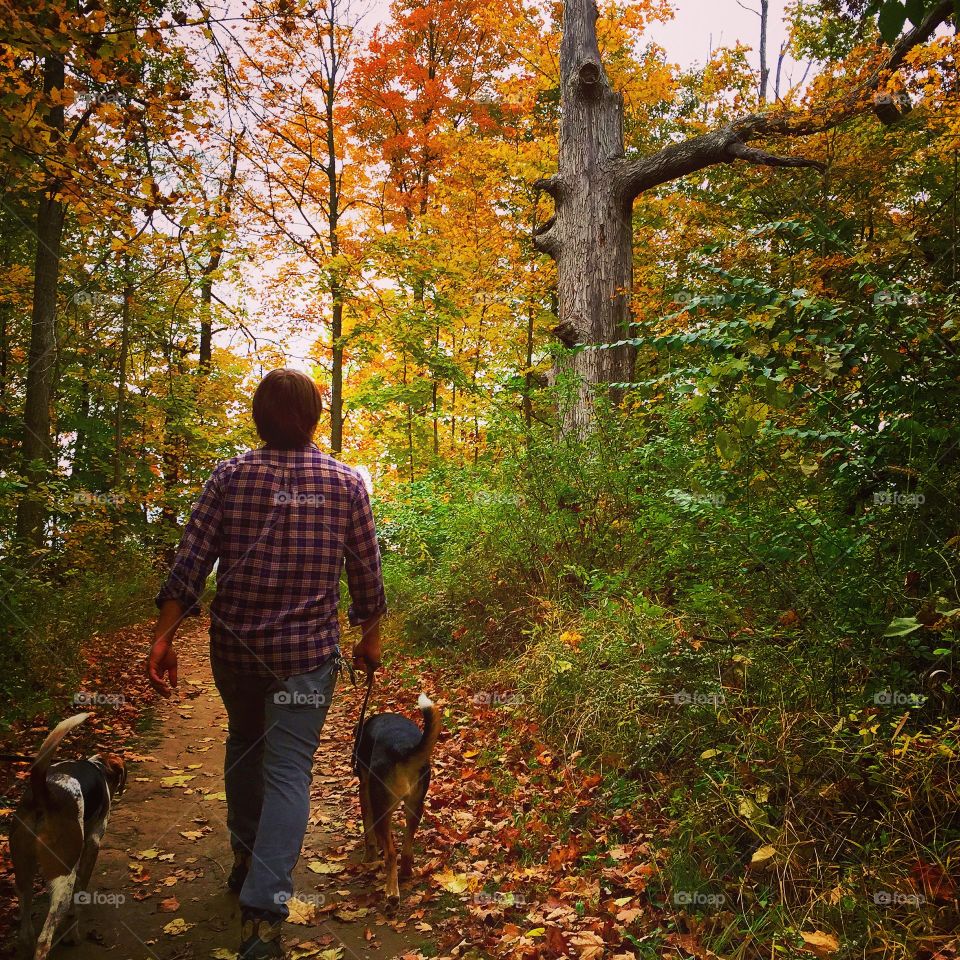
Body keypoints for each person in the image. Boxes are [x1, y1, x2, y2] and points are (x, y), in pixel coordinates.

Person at [147, 369, 386, 959]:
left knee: (244, 745)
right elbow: (366, 574)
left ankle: (247, 857)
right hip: (305, 659)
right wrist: (370, 637)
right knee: (288, 771)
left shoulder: (230, 476)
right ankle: (262, 913)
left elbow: (191, 561)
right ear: (313, 417)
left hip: (237, 653)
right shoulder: (345, 483)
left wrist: (163, 636)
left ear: (259, 415)